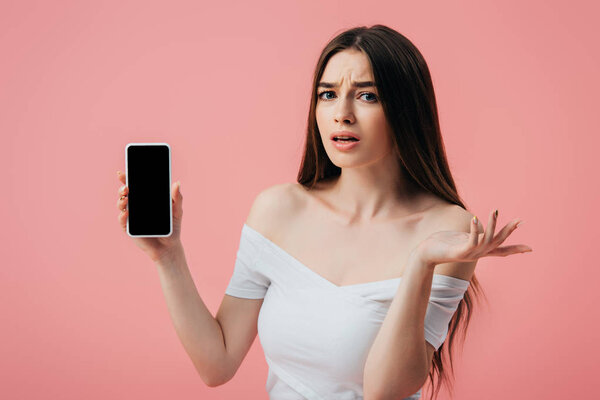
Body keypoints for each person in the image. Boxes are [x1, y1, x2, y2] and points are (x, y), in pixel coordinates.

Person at [116, 24, 532, 400]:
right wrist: (168, 257)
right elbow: (217, 363)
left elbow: (385, 391)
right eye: (328, 94)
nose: (342, 112)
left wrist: (420, 265)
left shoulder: (448, 228)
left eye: (367, 95)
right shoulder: (278, 209)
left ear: (406, 110)